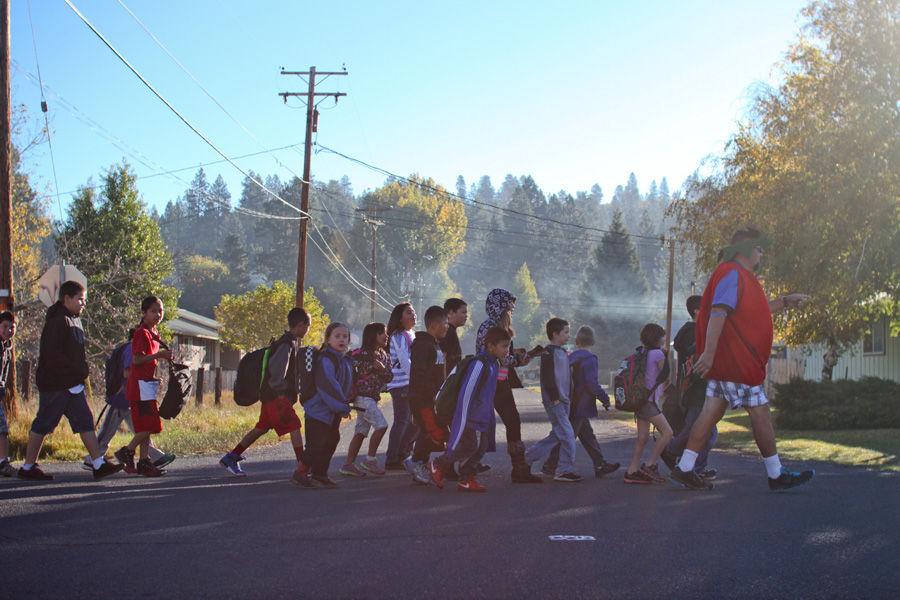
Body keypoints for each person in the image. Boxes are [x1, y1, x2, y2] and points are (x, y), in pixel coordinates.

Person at [670, 228, 814, 491]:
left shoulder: (736, 275)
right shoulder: (733, 274)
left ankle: (685, 467)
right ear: (747, 249)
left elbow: (751, 309)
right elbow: (718, 311)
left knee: (710, 413)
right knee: (760, 414)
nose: (761, 253)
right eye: (759, 248)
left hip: (728, 363)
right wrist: (709, 354)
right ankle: (775, 474)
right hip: (736, 362)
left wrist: (785, 301)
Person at [18, 281, 124, 481]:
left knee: (85, 422)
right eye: (79, 299)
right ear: (66, 298)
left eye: (84, 299)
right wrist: (77, 369)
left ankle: (98, 463)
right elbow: (52, 355)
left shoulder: (74, 319)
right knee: (43, 424)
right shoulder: (57, 321)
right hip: (55, 385)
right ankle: (27, 466)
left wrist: (80, 370)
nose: (83, 303)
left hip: (73, 385)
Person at [219, 307, 310, 477]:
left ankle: (232, 457)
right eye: (308, 326)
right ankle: (302, 467)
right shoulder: (286, 343)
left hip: (270, 396)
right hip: (276, 396)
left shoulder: (287, 342)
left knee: (261, 428)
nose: (308, 329)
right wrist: (281, 391)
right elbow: (277, 371)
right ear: (300, 324)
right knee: (295, 426)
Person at [430, 326, 510, 492]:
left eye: (508, 346)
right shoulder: (479, 364)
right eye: (504, 346)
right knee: (469, 446)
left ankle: (466, 478)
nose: (507, 350)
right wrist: (462, 418)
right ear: (490, 346)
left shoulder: (494, 363)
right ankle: (438, 464)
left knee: (481, 448)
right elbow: (466, 394)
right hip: (469, 416)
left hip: (482, 416)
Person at [473, 289, 541, 483]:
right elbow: (490, 357)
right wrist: (516, 360)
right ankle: (461, 464)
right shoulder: (489, 327)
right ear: (500, 306)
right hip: (489, 382)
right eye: (509, 305)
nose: (513, 308)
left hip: (500, 382)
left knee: (512, 420)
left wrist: (517, 354)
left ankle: (519, 468)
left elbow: (504, 356)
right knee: (480, 424)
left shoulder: (501, 327)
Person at [85, 328, 175, 470]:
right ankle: (92, 459)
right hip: (121, 397)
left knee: (142, 429)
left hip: (130, 398)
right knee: (109, 431)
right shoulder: (130, 349)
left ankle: (154, 456)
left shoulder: (131, 348)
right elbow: (127, 372)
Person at [541, 325, 620, 478]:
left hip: (570, 401)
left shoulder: (570, 357)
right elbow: (592, 384)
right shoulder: (590, 359)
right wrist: (604, 398)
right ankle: (551, 464)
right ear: (593, 342)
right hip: (582, 403)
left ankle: (599, 464)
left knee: (587, 435)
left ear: (576, 341)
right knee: (567, 436)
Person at [114, 296, 174, 477]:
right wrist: (159, 355)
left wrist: (155, 377)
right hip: (139, 386)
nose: (158, 314)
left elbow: (148, 363)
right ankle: (127, 450)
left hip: (147, 385)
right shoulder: (142, 333)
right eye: (153, 311)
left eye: (160, 311)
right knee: (150, 425)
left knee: (146, 426)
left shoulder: (154, 333)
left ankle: (144, 461)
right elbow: (137, 359)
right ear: (143, 313)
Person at [660, 296, 717, 480]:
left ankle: (690, 463)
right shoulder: (694, 333)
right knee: (701, 430)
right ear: (696, 311)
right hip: (696, 388)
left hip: (694, 387)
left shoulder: (690, 332)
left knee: (701, 429)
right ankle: (677, 455)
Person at [292, 322, 353, 489]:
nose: (341, 339)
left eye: (345, 337)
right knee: (316, 442)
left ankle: (320, 474)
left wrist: (343, 404)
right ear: (328, 340)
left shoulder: (343, 360)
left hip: (331, 410)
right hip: (318, 409)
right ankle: (300, 473)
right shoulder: (326, 359)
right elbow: (328, 385)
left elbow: (344, 385)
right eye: (337, 336)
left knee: (332, 439)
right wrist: (341, 406)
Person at [523, 318, 582, 482]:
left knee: (557, 435)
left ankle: (525, 459)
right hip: (555, 402)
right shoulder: (548, 353)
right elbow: (548, 377)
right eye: (566, 332)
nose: (568, 336)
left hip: (564, 401)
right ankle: (564, 470)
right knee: (568, 436)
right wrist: (555, 398)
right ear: (555, 334)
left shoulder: (562, 352)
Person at [340, 322, 393, 476]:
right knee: (381, 425)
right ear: (372, 336)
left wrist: (382, 370)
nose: (386, 336)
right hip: (361, 398)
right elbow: (347, 371)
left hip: (372, 399)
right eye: (382, 333)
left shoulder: (384, 356)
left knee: (361, 432)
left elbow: (389, 377)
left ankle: (348, 464)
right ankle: (370, 460)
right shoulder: (359, 354)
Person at [624, 323, 674, 484]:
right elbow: (666, 375)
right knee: (667, 432)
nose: (665, 339)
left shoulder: (642, 352)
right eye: (663, 336)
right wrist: (666, 357)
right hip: (649, 402)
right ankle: (650, 465)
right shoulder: (658, 354)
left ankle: (631, 471)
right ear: (658, 338)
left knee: (643, 438)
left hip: (639, 399)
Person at [405, 305, 449, 485]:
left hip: (433, 399)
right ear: (433, 324)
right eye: (445, 323)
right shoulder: (423, 345)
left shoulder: (434, 344)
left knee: (438, 435)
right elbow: (418, 374)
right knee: (433, 433)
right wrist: (429, 395)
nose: (447, 327)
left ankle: (416, 461)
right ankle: (416, 463)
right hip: (423, 400)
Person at [384, 303, 417, 470]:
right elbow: (405, 362)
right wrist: (418, 380)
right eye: (408, 313)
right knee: (403, 421)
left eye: (413, 312)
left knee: (416, 422)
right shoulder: (398, 335)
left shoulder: (411, 334)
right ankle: (393, 458)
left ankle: (403, 453)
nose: (413, 315)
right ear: (400, 317)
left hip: (410, 384)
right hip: (401, 385)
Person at [0, 311, 18, 476]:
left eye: (12, 327)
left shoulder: (7, 347)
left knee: (2, 429)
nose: (9, 330)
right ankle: (2, 462)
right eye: (5, 326)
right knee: (2, 429)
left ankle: (3, 460)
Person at [440, 298, 468, 373]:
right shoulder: (447, 332)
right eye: (463, 312)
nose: (466, 316)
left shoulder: (451, 331)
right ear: (451, 313)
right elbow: (443, 358)